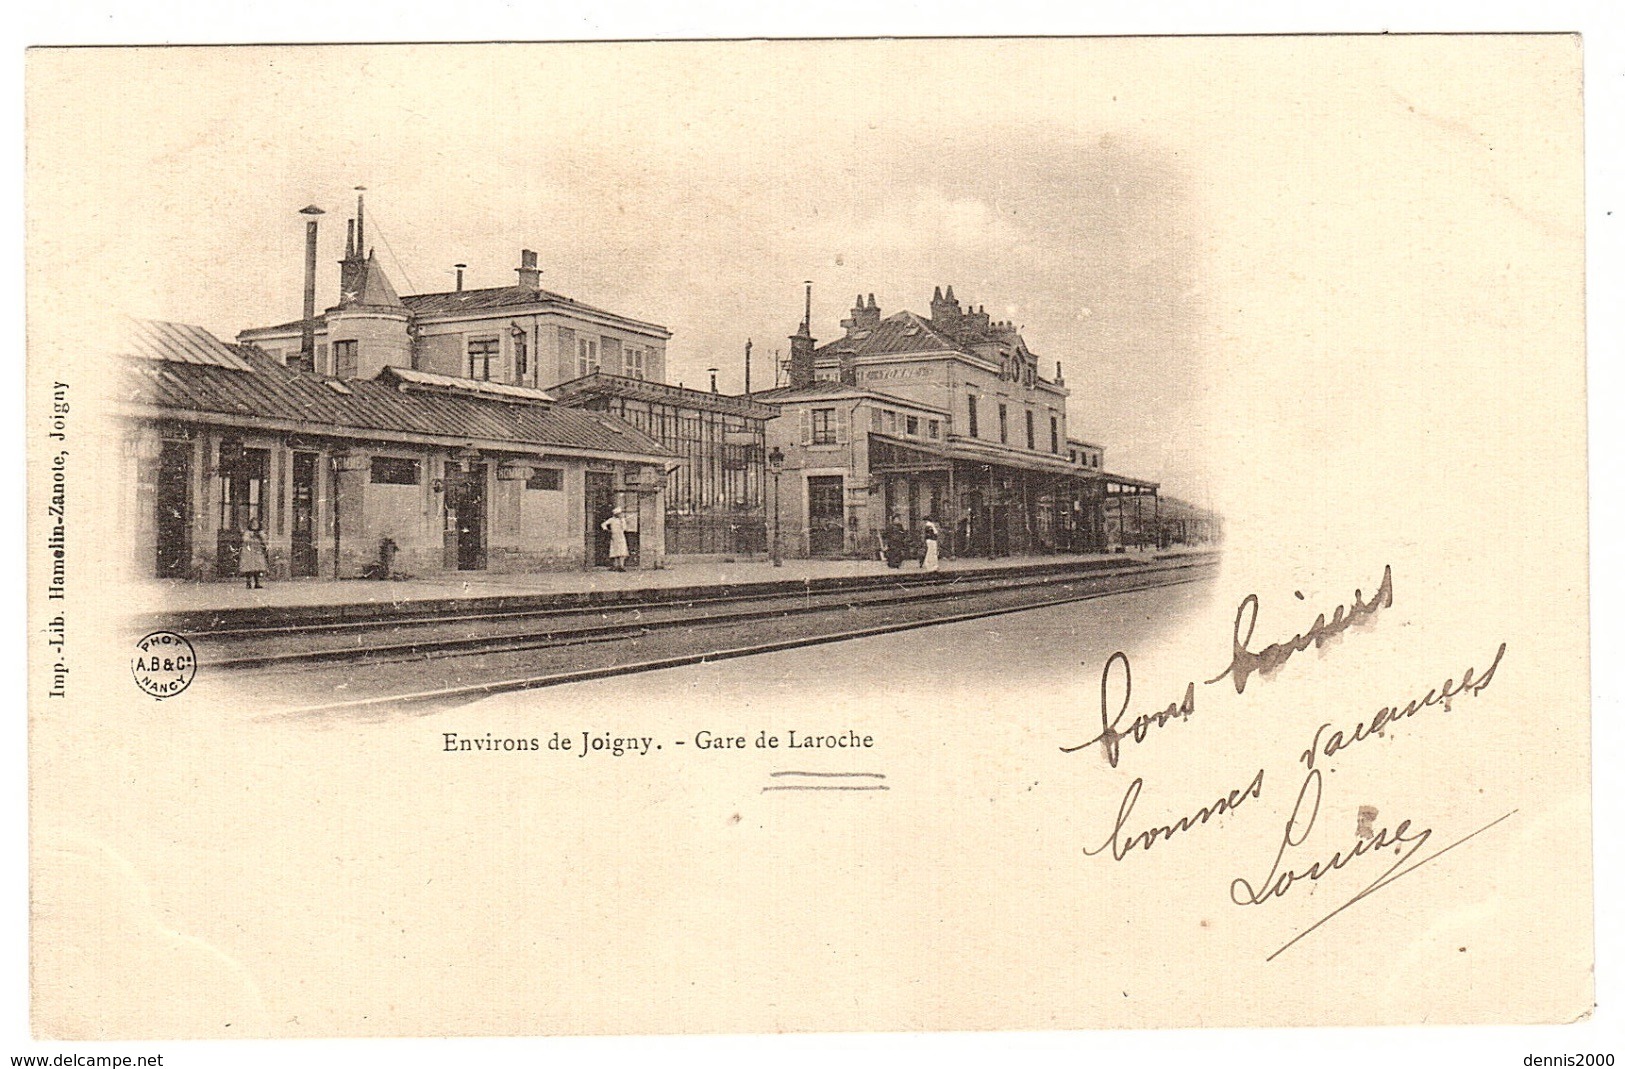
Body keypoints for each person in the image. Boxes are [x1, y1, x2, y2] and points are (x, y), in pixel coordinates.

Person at [239, 519, 269, 590]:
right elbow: (245, 539)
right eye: (253, 524)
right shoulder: (248, 532)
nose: (255, 525)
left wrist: (262, 537)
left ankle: (257, 583)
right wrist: (252, 539)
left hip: (257, 551)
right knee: (249, 567)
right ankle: (248, 583)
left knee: (257, 567)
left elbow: (265, 539)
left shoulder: (260, 532)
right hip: (249, 551)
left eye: (256, 524)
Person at [601, 505, 629, 571]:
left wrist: (622, 521)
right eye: (618, 514)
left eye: (620, 514)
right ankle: (616, 565)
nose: (620, 515)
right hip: (614, 536)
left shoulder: (622, 520)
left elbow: (624, 528)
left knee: (622, 550)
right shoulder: (611, 520)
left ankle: (621, 566)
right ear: (615, 514)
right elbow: (603, 524)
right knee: (615, 550)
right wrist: (606, 530)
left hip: (621, 536)